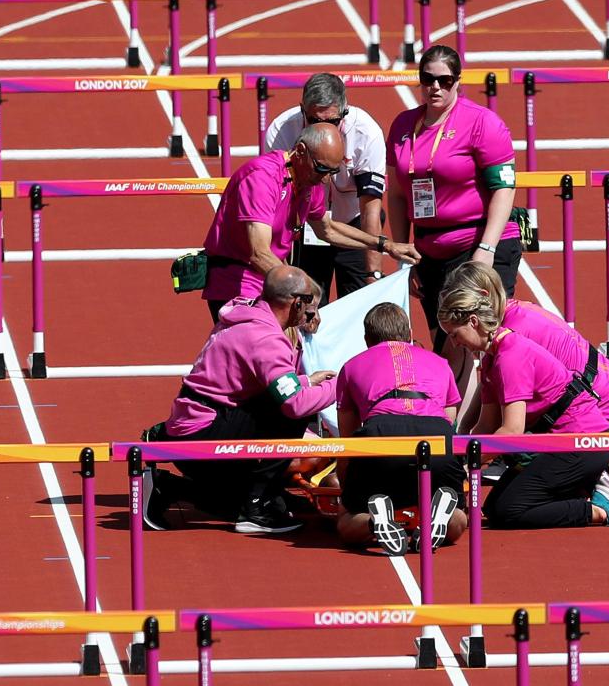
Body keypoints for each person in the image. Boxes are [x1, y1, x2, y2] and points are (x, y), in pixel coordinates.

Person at [144, 265, 337, 534]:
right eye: (311, 308)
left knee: (235, 504)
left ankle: (168, 486)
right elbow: (295, 404)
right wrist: (343, 384)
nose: (311, 315)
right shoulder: (266, 338)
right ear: (296, 303)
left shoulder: (248, 314)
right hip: (202, 433)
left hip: (196, 421)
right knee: (294, 410)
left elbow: (251, 380)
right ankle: (257, 505)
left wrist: (306, 380)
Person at [437, 287, 609, 529]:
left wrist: (467, 466)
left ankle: (603, 509)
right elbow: (486, 426)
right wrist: (457, 459)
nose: (454, 343)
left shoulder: (510, 358)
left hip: (582, 443)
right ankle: (590, 484)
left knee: (510, 511)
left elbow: (511, 432)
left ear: (473, 322)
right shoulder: (490, 359)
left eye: (454, 334)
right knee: (495, 507)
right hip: (556, 443)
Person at [385, 44, 522, 413]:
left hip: (477, 243)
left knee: (465, 341)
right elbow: (397, 195)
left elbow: (504, 187)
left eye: (445, 80)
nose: (436, 88)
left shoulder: (482, 123)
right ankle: (455, 429)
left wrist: (486, 251)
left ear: (458, 82)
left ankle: (466, 434)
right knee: (442, 341)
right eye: (428, 79)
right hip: (429, 249)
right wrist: (403, 253)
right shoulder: (402, 126)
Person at [202, 123, 420, 323]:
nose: (326, 179)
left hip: (271, 281)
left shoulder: (309, 179)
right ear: (301, 151)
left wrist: (384, 245)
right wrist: (304, 293)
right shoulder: (262, 178)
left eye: (333, 172)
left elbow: (328, 229)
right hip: (238, 282)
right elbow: (259, 254)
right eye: (322, 169)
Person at [335, 303, 467, 555]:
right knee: (460, 516)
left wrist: (348, 495)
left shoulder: (351, 366)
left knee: (346, 522)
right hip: (436, 435)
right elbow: (450, 422)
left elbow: (348, 442)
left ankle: (375, 522)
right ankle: (437, 518)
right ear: (409, 334)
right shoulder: (440, 363)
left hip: (381, 436)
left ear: (366, 340)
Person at [266, 73, 387, 305]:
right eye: (314, 120)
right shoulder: (280, 132)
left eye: (331, 122)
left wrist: (374, 273)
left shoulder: (367, 134)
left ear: (345, 111)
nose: (322, 129)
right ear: (303, 109)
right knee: (305, 310)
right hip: (307, 228)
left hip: (352, 225)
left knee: (358, 309)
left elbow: (370, 207)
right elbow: (277, 203)